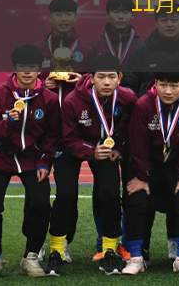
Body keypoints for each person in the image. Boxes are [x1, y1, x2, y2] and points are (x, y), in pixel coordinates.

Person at [46, 53, 137, 276]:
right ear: (91, 78)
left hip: (105, 148)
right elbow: (68, 137)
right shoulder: (73, 101)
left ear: (120, 77)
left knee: (110, 193)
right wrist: (90, 151)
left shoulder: (128, 98)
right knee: (66, 194)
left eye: (111, 77)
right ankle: (57, 250)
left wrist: (119, 148)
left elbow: (129, 128)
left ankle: (109, 249)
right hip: (72, 147)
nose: (106, 82)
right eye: (101, 77)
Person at [0, 45, 58, 278]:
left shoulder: (49, 99)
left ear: (39, 70)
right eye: (22, 67)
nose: (27, 72)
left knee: (41, 204)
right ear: (15, 68)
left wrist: (45, 162)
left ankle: (31, 256)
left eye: (32, 67)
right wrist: (9, 123)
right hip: (0, 158)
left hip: (32, 160)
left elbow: (51, 136)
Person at [122, 63, 179, 275]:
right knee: (136, 197)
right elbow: (138, 144)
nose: (168, 91)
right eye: (163, 84)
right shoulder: (143, 105)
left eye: (174, 85)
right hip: (147, 164)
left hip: (178, 165)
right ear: (155, 84)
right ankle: (136, 258)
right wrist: (142, 177)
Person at [123, 11, 179, 95]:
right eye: (164, 20)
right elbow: (129, 89)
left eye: (174, 20)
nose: (169, 24)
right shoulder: (142, 53)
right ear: (156, 23)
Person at [88, 0, 142, 66]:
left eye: (125, 12)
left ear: (133, 15)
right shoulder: (96, 45)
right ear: (107, 14)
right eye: (116, 12)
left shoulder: (140, 45)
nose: (120, 17)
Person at [41, 0, 85, 71]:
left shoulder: (87, 50)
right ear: (50, 18)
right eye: (58, 15)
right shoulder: (40, 49)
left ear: (75, 18)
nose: (63, 19)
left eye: (68, 14)